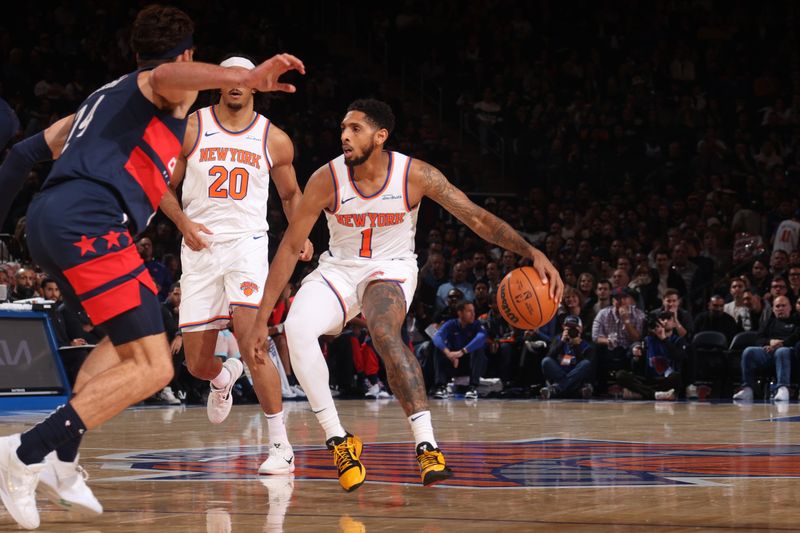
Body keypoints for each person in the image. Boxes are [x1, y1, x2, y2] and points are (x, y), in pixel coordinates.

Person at [0, 5, 305, 529]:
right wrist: (246, 76)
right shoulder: (155, 86)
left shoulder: (103, 102)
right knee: (156, 366)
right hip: (88, 221)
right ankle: (25, 453)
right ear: (187, 57)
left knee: (134, 341)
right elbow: (163, 75)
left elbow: (20, 156)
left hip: (56, 221)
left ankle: (63, 456)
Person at [240, 98, 563, 491]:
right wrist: (260, 319)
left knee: (384, 332)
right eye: (343, 127)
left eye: (355, 129)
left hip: (390, 268)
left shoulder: (415, 175)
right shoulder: (326, 179)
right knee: (296, 328)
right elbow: (291, 247)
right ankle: (339, 440)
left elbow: (475, 216)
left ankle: (426, 444)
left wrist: (531, 252)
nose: (344, 135)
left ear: (380, 136)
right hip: (339, 268)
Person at [159, 55, 312, 475]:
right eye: (231, 77)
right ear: (220, 83)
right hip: (200, 249)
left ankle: (281, 446)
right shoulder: (192, 127)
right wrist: (183, 222)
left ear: (256, 85)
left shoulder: (274, 139)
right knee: (195, 364)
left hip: (247, 247)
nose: (238, 84)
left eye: (246, 78)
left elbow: (291, 195)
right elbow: (161, 186)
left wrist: (301, 234)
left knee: (252, 339)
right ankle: (224, 375)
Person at [732, 295, 799, 401]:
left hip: (789, 353)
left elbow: (796, 338)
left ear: (790, 307)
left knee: (782, 351)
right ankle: (748, 388)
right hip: (769, 351)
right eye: (777, 306)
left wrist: (782, 343)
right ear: (773, 309)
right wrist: (770, 342)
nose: (780, 308)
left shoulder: (797, 321)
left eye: (783, 306)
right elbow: (758, 338)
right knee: (748, 351)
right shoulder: (769, 322)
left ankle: (783, 388)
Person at [615, 315, 685, 401]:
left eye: (668, 319)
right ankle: (655, 394)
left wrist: (664, 338)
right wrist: (636, 358)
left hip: (664, 380)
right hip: (647, 380)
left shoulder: (677, 340)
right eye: (662, 319)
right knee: (620, 375)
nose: (665, 322)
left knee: (676, 377)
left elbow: (679, 357)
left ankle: (641, 393)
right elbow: (636, 369)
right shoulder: (646, 340)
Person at [431, 300, 488, 400]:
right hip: (453, 361)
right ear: (460, 313)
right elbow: (437, 337)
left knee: (478, 348)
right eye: (469, 311)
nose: (473, 314)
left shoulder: (477, 325)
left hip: (469, 362)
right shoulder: (451, 324)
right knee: (437, 348)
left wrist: (462, 352)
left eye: (473, 311)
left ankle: (473, 387)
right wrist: (448, 353)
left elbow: (481, 337)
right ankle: (441, 386)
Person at [540, 315, 595, 399]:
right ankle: (574, 388)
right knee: (546, 361)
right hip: (560, 372)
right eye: (568, 327)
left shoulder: (586, 345)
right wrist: (561, 342)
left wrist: (576, 346)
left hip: (575, 374)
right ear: (563, 328)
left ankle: (556, 389)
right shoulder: (558, 339)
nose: (571, 330)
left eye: (574, 327)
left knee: (586, 363)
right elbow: (550, 357)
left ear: (580, 329)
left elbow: (585, 368)